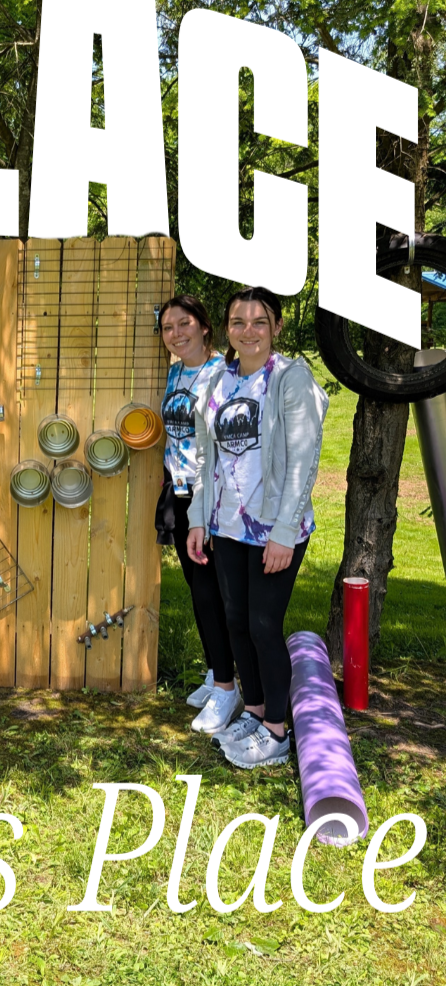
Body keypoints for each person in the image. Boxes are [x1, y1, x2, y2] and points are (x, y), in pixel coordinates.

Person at [188, 286, 328, 769]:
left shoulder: (291, 377)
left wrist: (285, 532)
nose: (249, 331)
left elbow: (304, 460)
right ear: (227, 328)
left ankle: (276, 732)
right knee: (237, 622)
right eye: (239, 322)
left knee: (265, 626)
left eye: (260, 322)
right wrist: (198, 518)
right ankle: (253, 710)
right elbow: (205, 457)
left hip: (275, 529)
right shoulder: (218, 380)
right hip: (227, 526)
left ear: (277, 327)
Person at [155, 296, 237, 732]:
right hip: (180, 495)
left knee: (210, 592)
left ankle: (227, 688)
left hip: (211, 497)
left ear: (205, 326)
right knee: (197, 588)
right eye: (168, 327)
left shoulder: (223, 375)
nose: (176, 333)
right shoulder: (174, 373)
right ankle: (216, 669)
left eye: (184, 323)